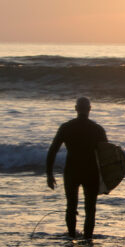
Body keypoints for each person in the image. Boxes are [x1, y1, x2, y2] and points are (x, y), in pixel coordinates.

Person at [46, 97, 107, 239]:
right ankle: (88, 239)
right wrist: (106, 180)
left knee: (71, 207)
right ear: (89, 109)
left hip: (72, 170)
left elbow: (53, 150)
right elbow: (107, 156)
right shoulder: (97, 129)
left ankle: (72, 237)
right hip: (91, 172)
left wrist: (49, 174)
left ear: (76, 109)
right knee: (90, 209)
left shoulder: (66, 127)